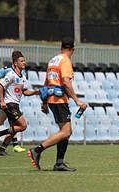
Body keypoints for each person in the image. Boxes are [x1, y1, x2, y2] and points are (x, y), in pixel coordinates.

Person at [27, 38, 87, 171]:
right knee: (65, 131)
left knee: (66, 131)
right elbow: (66, 81)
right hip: (60, 99)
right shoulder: (65, 61)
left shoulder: (53, 60)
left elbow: (46, 82)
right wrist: (77, 100)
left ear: (61, 48)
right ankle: (36, 150)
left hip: (51, 98)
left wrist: (44, 101)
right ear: (72, 50)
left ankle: (59, 163)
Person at [0, 51, 39, 156]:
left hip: (15, 104)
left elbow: (25, 92)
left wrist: (36, 92)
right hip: (10, 104)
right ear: (15, 63)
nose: (24, 62)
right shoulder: (11, 74)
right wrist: (2, 100)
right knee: (23, 126)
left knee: (13, 128)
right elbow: (0, 85)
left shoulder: (23, 77)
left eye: (24, 60)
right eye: (21, 61)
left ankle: (2, 149)